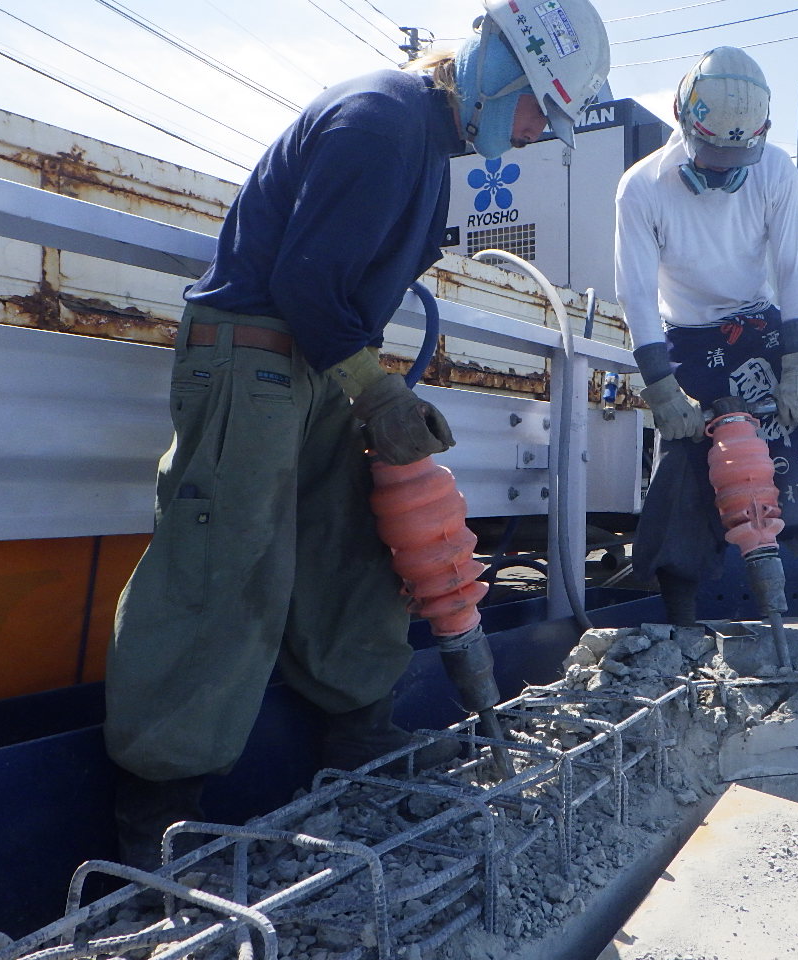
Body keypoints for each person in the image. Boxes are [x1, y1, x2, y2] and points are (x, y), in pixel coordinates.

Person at [105, 0, 609, 871]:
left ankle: (353, 733)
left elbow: (335, 296)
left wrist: (372, 397)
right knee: (227, 566)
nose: (534, 134)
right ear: (499, 70)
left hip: (310, 362)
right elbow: (304, 280)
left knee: (352, 549)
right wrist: (377, 396)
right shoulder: (382, 123)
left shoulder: (425, 140)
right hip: (253, 357)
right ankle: (156, 814)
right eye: (539, 110)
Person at [614, 46, 798, 640]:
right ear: (683, 117)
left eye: (734, 155)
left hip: (761, 326)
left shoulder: (773, 168)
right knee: (688, 467)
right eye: (713, 153)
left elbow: (793, 265)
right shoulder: (641, 188)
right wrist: (661, 388)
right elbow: (637, 294)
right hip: (686, 340)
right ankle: (683, 623)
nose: (722, 169)